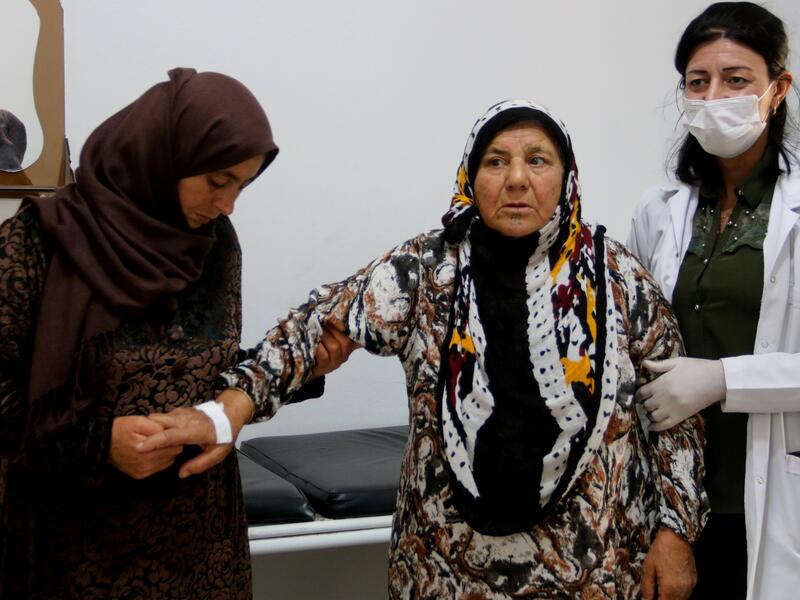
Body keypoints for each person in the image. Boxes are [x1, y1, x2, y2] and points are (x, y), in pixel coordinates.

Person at [144, 100, 708, 599]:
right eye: (495, 161)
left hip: (594, 565)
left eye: (537, 160)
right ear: (470, 174)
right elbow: (317, 324)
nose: (516, 179)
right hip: (444, 566)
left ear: (566, 176)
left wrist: (676, 531)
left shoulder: (617, 278)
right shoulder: (428, 269)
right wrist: (229, 410)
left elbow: (674, 415)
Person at [0, 67, 339, 599]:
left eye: (243, 185)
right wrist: (98, 446)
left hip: (203, 555)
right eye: (217, 181)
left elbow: (206, 370)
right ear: (164, 157)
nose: (228, 205)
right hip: (78, 555)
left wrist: (300, 370)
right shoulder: (37, 244)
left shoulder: (214, 245)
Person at [627, 3, 799, 598]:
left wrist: (725, 378)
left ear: (777, 89)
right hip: (676, 497)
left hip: (777, 489)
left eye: (736, 79)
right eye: (697, 82)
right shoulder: (660, 209)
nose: (713, 95)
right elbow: (635, 339)